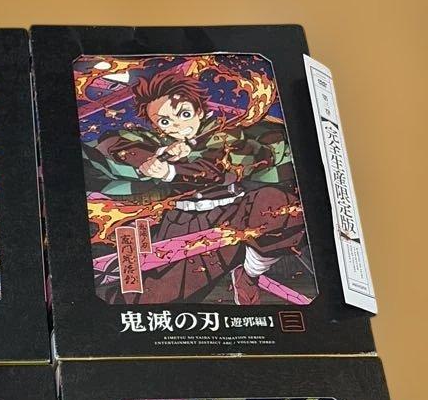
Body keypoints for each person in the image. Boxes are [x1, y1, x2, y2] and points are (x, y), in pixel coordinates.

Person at [86, 68, 306, 305]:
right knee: (149, 300)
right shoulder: (158, 141)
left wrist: (175, 169)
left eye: (184, 114)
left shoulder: (226, 133)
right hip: (183, 222)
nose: (177, 125)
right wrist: (150, 158)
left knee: (283, 207)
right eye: (164, 121)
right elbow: (110, 142)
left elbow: (226, 166)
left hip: (234, 213)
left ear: (199, 110)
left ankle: (249, 273)